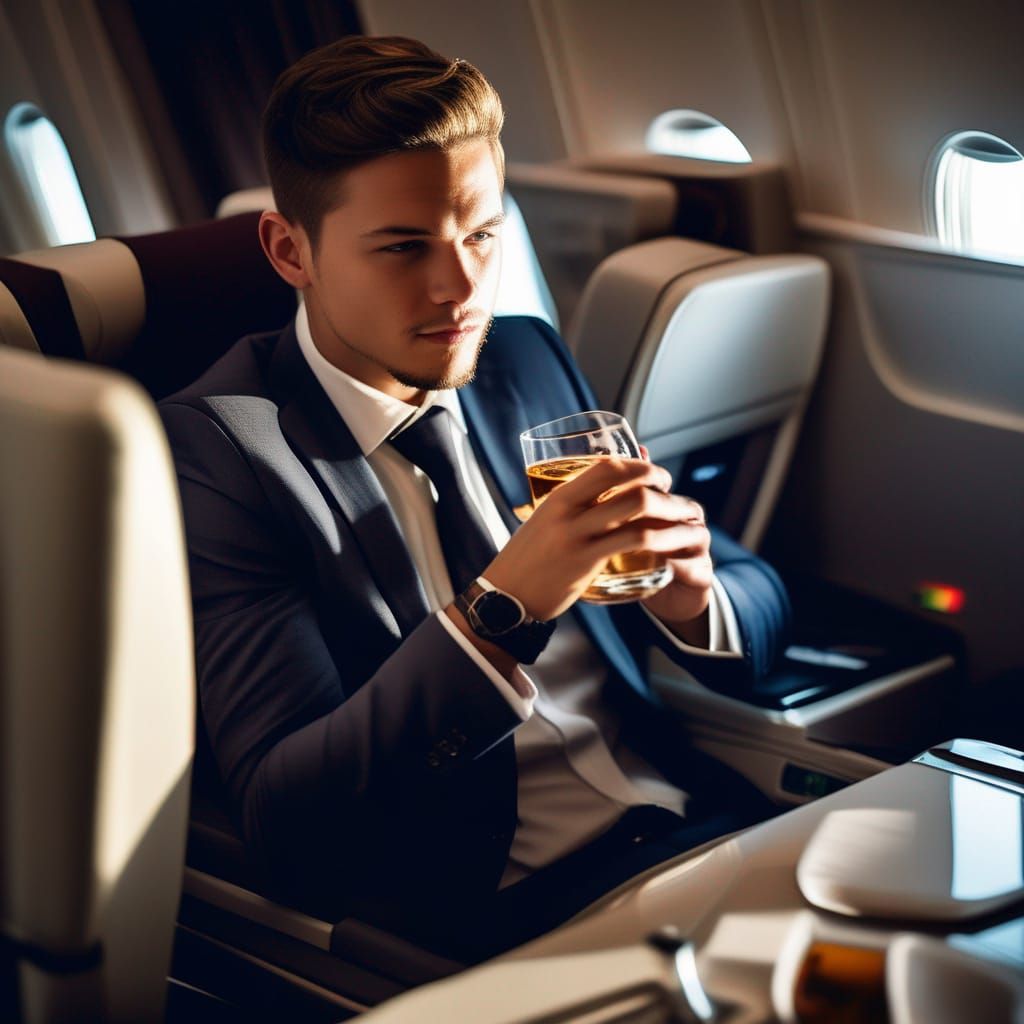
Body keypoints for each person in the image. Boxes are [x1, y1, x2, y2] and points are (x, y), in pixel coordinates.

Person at [159, 34, 790, 960]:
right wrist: (500, 611)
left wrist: (695, 595)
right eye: (404, 247)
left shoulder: (524, 357)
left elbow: (760, 602)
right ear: (290, 250)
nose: (462, 290)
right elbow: (288, 819)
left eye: (482, 235)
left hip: (702, 831)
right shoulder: (223, 454)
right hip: (506, 912)